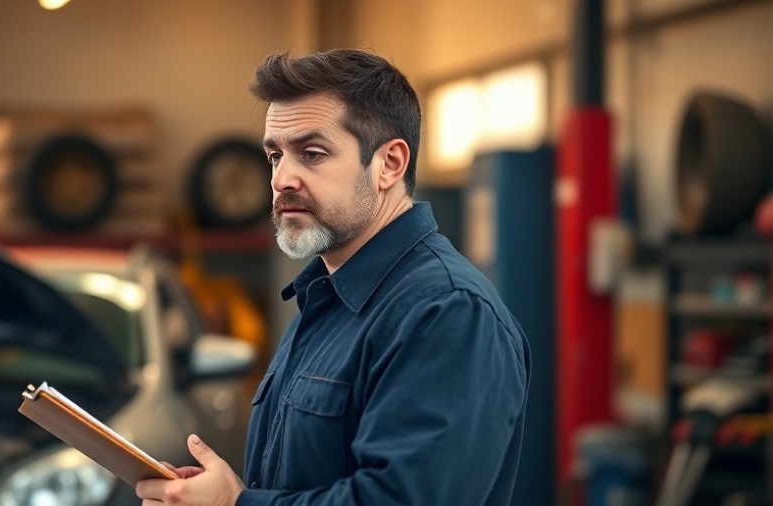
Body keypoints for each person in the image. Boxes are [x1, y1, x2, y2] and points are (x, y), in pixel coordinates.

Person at [136, 48, 531, 506]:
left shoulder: (447, 312)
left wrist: (234, 505)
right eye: (274, 156)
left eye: (312, 153)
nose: (282, 178)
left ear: (390, 164)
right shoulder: (325, 298)